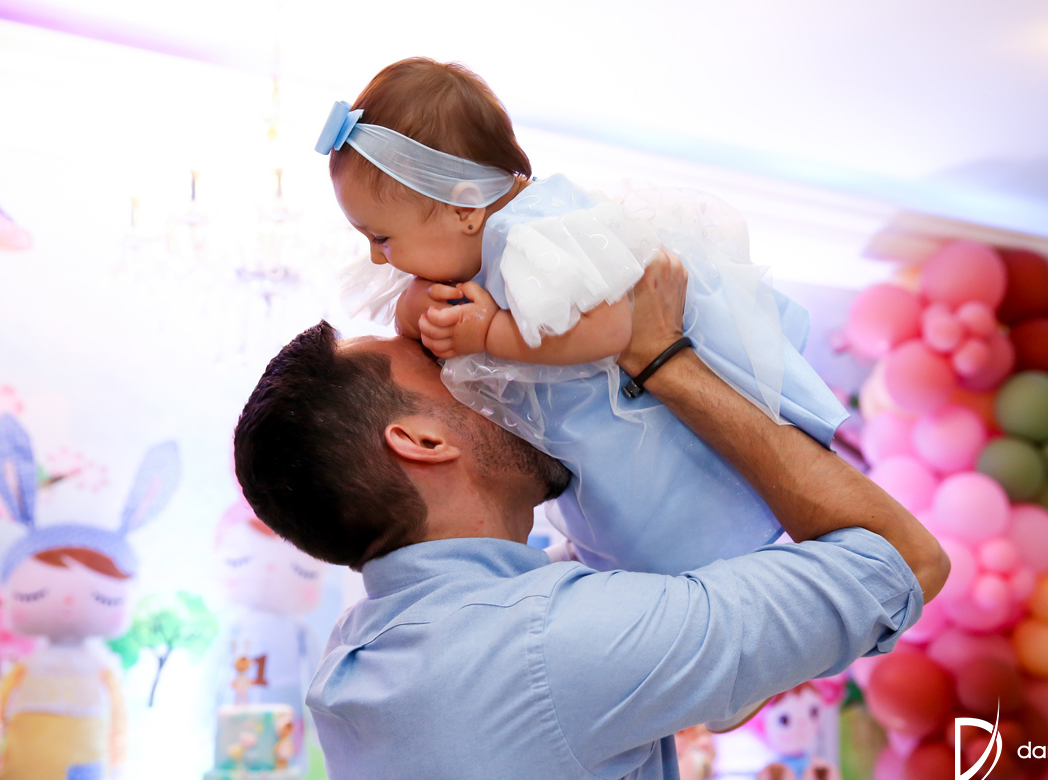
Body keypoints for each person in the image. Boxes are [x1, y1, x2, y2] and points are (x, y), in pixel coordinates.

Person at [232, 254, 949, 780]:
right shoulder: (549, 642)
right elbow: (902, 559)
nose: (488, 368)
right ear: (423, 441)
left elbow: (715, 694)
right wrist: (660, 356)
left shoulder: (359, 655)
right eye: (440, 366)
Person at [314, 57, 849, 579]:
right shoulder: (464, 246)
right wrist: (417, 307)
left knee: (653, 513)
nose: (377, 257)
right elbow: (417, 311)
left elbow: (611, 326)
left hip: (631, 412)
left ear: (465, 209)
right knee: (606, 510)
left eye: (381, 237)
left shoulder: (538, 231)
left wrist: (492, 332)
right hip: (579, 419)